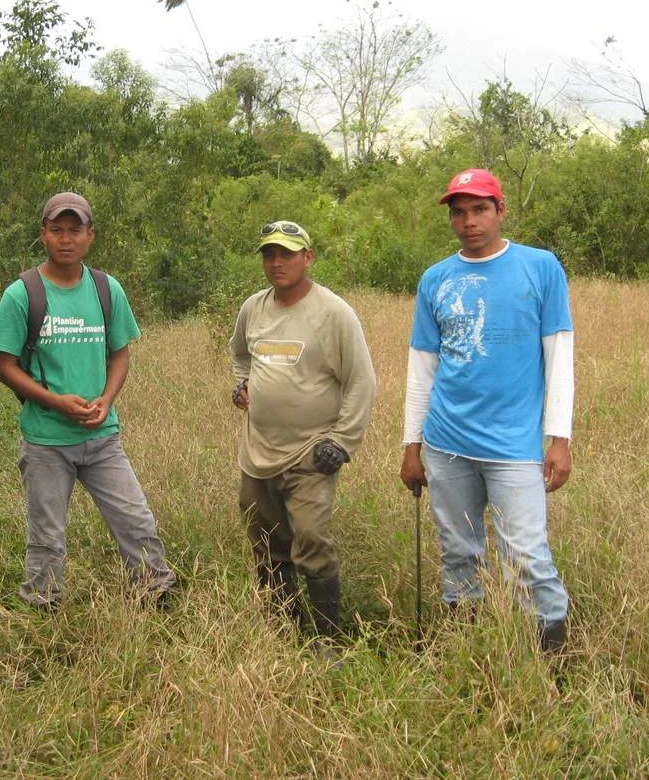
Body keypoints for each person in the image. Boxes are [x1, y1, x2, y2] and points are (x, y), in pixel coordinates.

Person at [399, 168, 573, 654]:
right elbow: (423, 369)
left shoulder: (540, 268)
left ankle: (552, 660)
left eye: (479, 209)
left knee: (527, 556)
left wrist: (559, 438)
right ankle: (466, 650)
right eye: (459, 212)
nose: (469, 221)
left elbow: (559, 355)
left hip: (513, 446)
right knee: (458, 553)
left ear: (501, 210)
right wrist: (411, 447)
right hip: (446, 442)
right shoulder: (435, 279)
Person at [0, 192, 177, 609]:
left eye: (75, 230)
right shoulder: (22, 294)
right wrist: (56, 402)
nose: (66, 239)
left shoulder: (107, 289)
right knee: (47, 536)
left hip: (102, 435)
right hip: (46, 439)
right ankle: (43, 607)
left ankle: (156, 593)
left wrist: (107, 399)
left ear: (90, 235)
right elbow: (4, 364)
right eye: (57, 230)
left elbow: (120, 353)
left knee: (136, 520)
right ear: (43, 234)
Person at [229, 220, 376, 645]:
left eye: (287, 254)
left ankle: (329, 640)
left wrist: (342, 442)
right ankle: (285, 631)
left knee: (310, 538)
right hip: (256, 452)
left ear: (307, 257)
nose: (277, 262)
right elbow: (240, 355)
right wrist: (241, 385)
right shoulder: (253, 308)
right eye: (269, 254)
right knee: (266, 541)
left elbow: (361, 382)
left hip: (312, 451)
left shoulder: (333, 313)